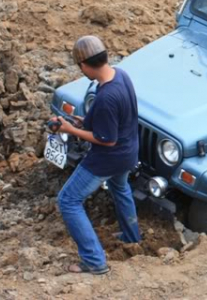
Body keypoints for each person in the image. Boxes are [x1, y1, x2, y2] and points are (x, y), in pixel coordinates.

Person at [50, 36, 140, 275]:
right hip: (128, 153)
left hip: (109, 158)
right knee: (120, 188)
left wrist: (70, 129)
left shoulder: (106, 98)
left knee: (68, 201)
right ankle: (132, 238)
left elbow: (106, 139)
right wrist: (83, 121)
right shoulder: (120, 75)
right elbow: (114, 121)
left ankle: (94, 260)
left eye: (79, 67)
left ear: (84, 64)